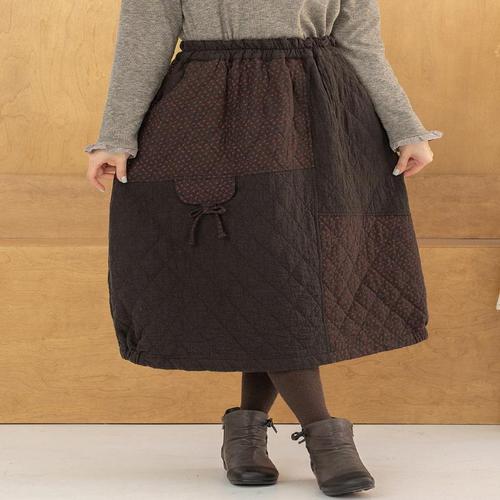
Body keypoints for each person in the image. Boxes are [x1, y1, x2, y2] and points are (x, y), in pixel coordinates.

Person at [84, 1, 443, 496]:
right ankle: (324, 436)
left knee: (277, 277)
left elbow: (360, 43)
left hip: (322, 113)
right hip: (212, 115)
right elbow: (143, 42)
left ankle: (245, 434)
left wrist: (405, 128)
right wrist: (115, 136)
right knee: (265, 272)